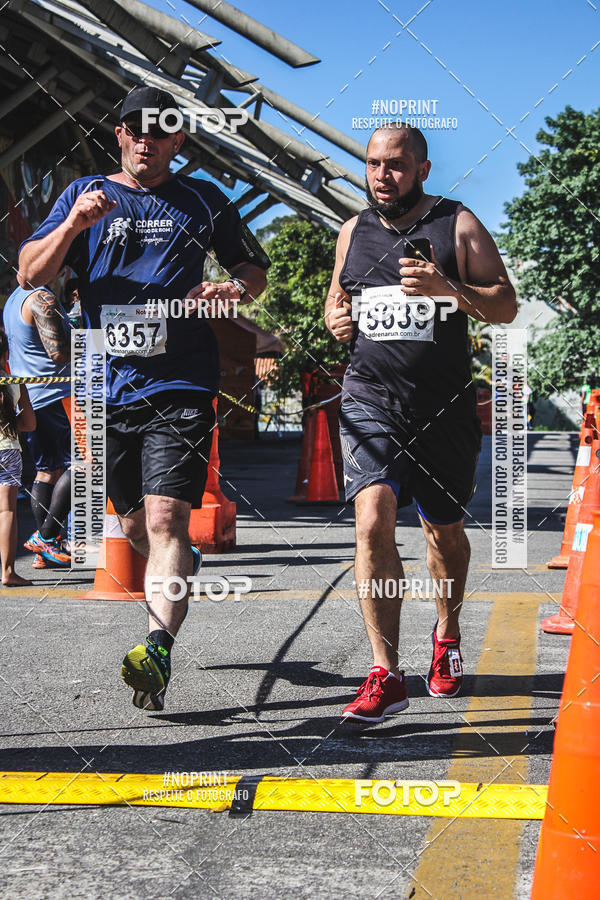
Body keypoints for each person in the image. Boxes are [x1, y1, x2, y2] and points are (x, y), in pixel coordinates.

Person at [18, 86, 269, 711]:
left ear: (178, 142)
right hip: (108, 387)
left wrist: (231, 290)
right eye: (136, 129)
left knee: (165, 520)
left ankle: (157, 648)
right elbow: (30, 272)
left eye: (161, 131)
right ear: (120, 135)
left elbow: (252, 270)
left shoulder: (204, 200)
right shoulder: (83, 195)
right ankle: (176, 569)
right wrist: (75, 225)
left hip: (182, 382)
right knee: (135, 526)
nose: (146, 139)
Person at [324, 123, 517, 723]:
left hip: (443, 409)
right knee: (373, 520)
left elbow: (505, 306)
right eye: (374, 164)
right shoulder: (352, 231)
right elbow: (337, 300)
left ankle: (447, 631)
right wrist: (336, 319)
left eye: (397, 165)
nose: (384, 175)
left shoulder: (457, 224)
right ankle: (385, 670)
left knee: (443, 534)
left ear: (423, 169)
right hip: (370, 400)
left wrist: (448, 288)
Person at [3, 274, 73, 568]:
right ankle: (47, 535)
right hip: (57, 396)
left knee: (48, 472)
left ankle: (45, 550)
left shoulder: (12, 299)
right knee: (84, 464)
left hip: (32, 396)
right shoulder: (41, 299)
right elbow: (59, 352)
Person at [0, 329, 36, 585]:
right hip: (9, 449)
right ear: (5, 354)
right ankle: (8, 572)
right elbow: (30, 423)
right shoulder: (14, 383)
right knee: (7, 511)